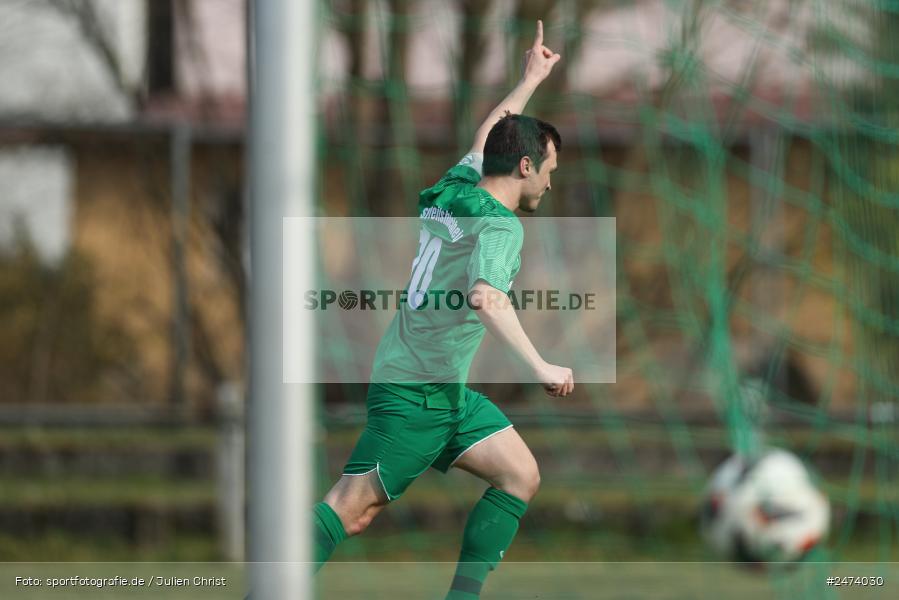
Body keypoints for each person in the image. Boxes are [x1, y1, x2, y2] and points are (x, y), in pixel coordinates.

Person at [313, 20, 573, 599]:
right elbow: (486, 297)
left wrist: (530, 78)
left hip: (440, 390)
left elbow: (488, 137)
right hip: (416, 395)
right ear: (527, 168)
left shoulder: (456, 188)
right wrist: (542, 366)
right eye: (549, 171)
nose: (551, 186)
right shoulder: (500, 226)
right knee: (349, 509)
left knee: (519, 474)